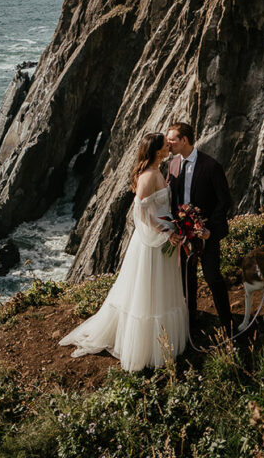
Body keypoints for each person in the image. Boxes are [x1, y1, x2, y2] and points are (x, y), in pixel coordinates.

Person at [59, 132, 188, 371]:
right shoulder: (149, 176)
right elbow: (140, 213)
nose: (167, 147)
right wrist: (165, 232)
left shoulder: (157, 170)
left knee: (158, 290)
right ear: (156, 150)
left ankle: (159, 342)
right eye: (163, 145)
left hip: (161, 236)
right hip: (152, 241)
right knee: (149, 292)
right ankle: (147, 348)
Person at [166, 122, 232, 336]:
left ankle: (227, 323)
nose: (168, 144)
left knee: (213, 276)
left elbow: (225, 201)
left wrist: (209, 229)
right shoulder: (173, 165)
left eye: (172, 140)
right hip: (183, 233)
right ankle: (191, 320)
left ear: (184, 140)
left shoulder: (210, 165)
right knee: (187, 277)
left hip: (206, 233)